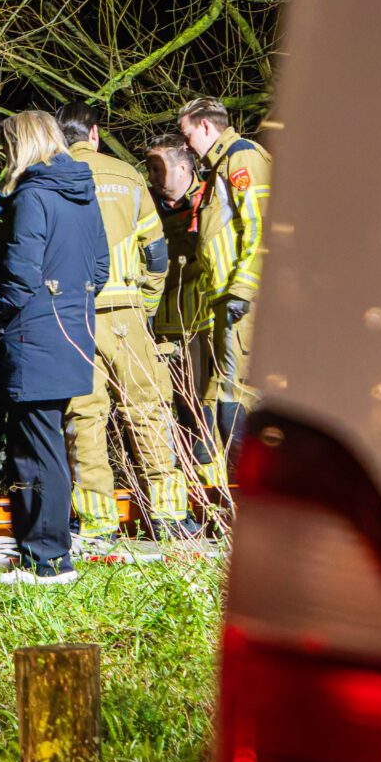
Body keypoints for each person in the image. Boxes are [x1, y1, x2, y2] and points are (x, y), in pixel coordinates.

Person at [52, 101, 190, 544]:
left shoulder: (47, 176)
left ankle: (97, 523)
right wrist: (146, 304)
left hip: (74, 318)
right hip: (127, 313)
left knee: (84, 417)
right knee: (148, 410)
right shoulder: (128, 176)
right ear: (94, 133)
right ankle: (170, 515)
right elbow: (156, 251)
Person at [0, 111, 108, 585]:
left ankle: (47, 559)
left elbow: (18, 277)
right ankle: (48, 553)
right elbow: (100, 269)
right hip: (73, 331)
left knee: (35, 449)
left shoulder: (32, 196)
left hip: (34, 335)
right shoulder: (82, 191)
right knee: (48, 441)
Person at [177, 96, 274, 483]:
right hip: (226, 300)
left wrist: (242, 289)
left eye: (186, 134)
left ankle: (249, 498)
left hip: (243, 302)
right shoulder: (219, 167)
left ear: (204, 127)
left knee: (239, 398)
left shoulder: (241, 159)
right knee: (227, 397)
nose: (185, 145)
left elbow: (260, 228)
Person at [145, 135, 212, 483]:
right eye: (150, 169)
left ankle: (214, 486)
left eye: (160, 168)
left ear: (184, 167)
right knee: (174, 408)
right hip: (160, 325)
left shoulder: (210, 200)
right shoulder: (146, 206)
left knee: (205, 406)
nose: (154, 177)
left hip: (203, 321)